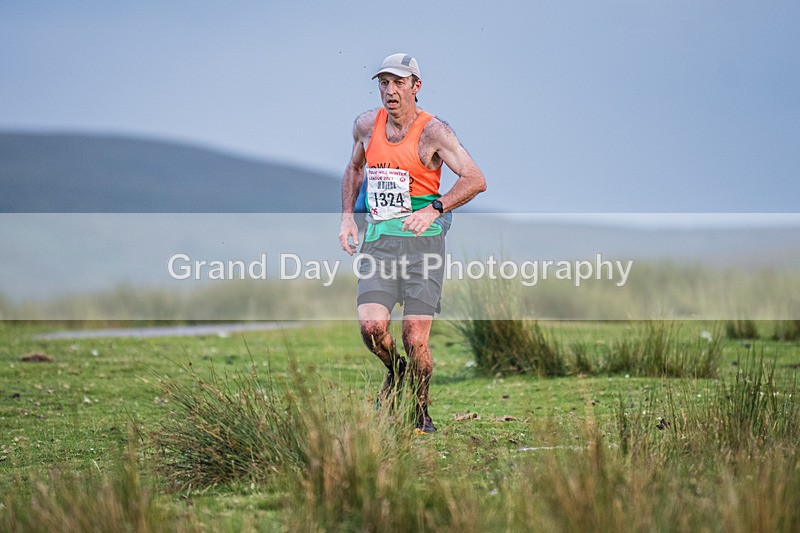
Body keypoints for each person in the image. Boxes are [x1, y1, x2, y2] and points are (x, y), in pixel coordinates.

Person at [338, 53, 486, 433]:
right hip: (380, 244)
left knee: (414, 338)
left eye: (399, 83)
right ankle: (397, 370)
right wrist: (347, 218)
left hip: (424, 248)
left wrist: (435, 209)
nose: (390, 91)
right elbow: (355, 167)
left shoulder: (434, 132)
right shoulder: (366, 126)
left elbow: (475, 179)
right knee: (372, 328)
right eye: (384, 83)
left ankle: (420, 413)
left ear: (416, 86)